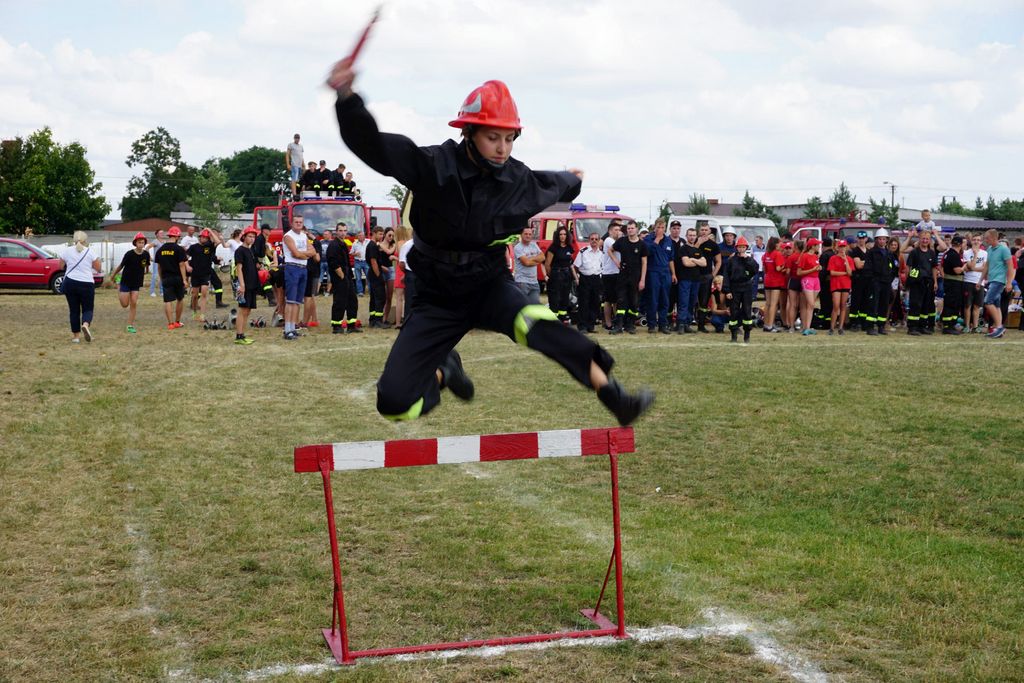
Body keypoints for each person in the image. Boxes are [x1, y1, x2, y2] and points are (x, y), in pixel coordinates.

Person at [327, 61, 653, 424]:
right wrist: (347, 98)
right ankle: (445, 371)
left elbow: (555, 184)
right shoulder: (433, 166)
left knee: (536, 322)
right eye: (493, 137)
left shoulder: (517, 180)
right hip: (436, 295)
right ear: (469, 132)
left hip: (489, 286)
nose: (502, 148)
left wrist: (573, 180)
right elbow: (374, 146)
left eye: (509, 139)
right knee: (395, 404)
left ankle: (613, 395)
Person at [60, 231, 102, 343]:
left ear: (74, 240)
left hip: (70, 282)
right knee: (88, 308)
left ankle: (76, 337)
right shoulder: (90, 252)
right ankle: (85, 324)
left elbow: (60, 266)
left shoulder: (67, 251)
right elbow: (98, 268)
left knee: (74, 310)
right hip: (86, 283)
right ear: (85, 240)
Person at [609, 220, 648, 335]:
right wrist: (616, 261)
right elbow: (610, 250)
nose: (630, 230)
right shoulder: (622, 241)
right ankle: (618, 326)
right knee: (621, 301)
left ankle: (630, 325)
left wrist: (642, 280)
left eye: (632, 228)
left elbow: (644, 263)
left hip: (636, 276)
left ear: (637, 229)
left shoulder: (642, 245)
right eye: (628, 228)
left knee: (634, 302)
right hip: (623, 276)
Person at [282, 215, 316, 340]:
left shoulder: (303, 236)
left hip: (303, 268)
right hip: (292, 268)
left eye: (300, 222)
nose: (298, 224)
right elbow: (295, 253)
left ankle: (293, 328)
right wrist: (305, 254)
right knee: (290, 301)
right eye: (296, 222)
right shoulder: (288, 236)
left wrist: (302, 254)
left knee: (297, 301)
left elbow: (313, 252)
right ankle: (287, 330)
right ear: (292, 223)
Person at [901, 228, 939, 336]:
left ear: (929, 240)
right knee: (915, 304)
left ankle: (922, 326)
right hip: (916, 282)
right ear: (919, 239)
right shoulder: (914, 252)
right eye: (923, 238)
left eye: (927, 239)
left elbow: (934, 268)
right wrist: (908, 281)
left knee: (925, 305)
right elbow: (908, 267)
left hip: (928, 282)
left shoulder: (932, 253)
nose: (925, 241)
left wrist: (935, 282)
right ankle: (912, 327)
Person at [111, 232, 151, 333]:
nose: (141, 244)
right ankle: (119, 286)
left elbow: (146, 265)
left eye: (143, 242)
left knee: (134, 302)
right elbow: (121, 265)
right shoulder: (129, 254)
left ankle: (130, 325)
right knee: (125, 304)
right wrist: (113, 275)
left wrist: (146, 272)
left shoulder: (146, 254)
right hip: (126, 281)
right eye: (139, 242)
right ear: (135, 243)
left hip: (136, 282)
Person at [722, 236, 759, 343]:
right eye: (739, 247)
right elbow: (726, 276)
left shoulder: (749, 259)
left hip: (747, 288)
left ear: (746, 248)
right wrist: (727, 290)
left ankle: (747, 336)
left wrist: (747, 259)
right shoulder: (731, 261)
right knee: (734, 311)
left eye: (743, 247)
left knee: (747, 311)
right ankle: (734, 336)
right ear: (736, 248)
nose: (741, 249)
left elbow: (755, 270)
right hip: (734, 288)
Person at [643, 218, 676, 334]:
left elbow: (670, 259)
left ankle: (663, 325)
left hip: (665, 272)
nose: (660, 229)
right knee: (653, 299)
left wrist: (673, 274)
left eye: (662, 227)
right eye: (658, 227)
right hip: (653, 272)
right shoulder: (648, 239)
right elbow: (647, 253)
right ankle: (652, 325)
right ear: (654, 227)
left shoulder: (668, 240)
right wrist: (656, 239)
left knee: (664, 299)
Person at [981, 228, 1015, 338]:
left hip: (999, 281)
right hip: (991, 280)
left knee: (987, 302)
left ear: (994, 238)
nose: (985, 240)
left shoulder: (1004, 250)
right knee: (996, 305)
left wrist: (1009, 283)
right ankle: (998, 329)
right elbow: (987, 266)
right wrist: (980, 280)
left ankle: (999, 327)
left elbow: (1010, 267)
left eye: (987, 238)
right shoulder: (989, 249)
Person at [863, 224, 897, 336]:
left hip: (886, 282)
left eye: (884, 239)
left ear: (886, 240)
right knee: (873, 304)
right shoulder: (871, 252)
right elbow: (867, 268)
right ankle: (870, 327)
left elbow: (893, 268)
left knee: (884, 304)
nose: (882, 241)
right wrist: (872, 281)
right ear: (877, 240)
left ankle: (881, 326)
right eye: (880, 239)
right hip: (875, 282)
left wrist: (889, 279)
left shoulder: (889, 253)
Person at [156, 226, 188, 329]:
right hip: (178, 277)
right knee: (180, 299)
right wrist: (184, 279)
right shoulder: (179, 249)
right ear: (177, 237)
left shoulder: (161, 249)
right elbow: (181, 265)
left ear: (169, 235)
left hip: (166, 278)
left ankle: (170, 324)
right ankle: (177, 322)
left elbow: (159, 267)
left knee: (167, 301)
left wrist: (161, 278)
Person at [674, 226, 705, 334]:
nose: (692, 237)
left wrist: (692, 259)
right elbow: (686, 263)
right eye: (690, 235)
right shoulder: (683, 249)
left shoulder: (698, 250)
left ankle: (687, 323)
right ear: (686, 236)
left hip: (696, 280)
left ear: (696, 237)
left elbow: (704, 263)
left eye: (694, 235)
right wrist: (697, 261)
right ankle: (681, 324)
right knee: (683, 302)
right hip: (685, 279)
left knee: (692, 302)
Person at [186, 228, 221, 322]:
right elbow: (185, 257)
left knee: (204, 293)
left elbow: (218, 241)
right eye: (202, 237)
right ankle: (194, 313)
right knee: (194, 295)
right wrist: (187, 266)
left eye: (206, 238)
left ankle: (202, 315)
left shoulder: (209, 246)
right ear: (199, 237)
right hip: (195, 274)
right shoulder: (193, 247)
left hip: (206, 273)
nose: (204, 239)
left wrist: (210, 231)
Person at [233, 226, 260, 345]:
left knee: (248, 310)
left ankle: (242, 334)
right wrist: (242, 285)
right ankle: (238, 336)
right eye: (250, 236)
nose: (252, 238)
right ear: (244, 237)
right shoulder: (240, 250)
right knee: (242, 310)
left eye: (253, 237)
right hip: (245, 285)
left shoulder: (250, 250)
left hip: (252, 284)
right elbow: (239, 269)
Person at [572, 232, 604, 333]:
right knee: (584, 303)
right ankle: (582, 326)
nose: (594, 241)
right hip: (585, 279)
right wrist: (577, 278)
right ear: (589, 240)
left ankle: (591, 325)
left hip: (596, 279)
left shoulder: (601, 254)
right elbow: (575, 267)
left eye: (596, 239)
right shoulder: (583, 252)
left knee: (595, 303)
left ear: (599, 241)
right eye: (592, 239)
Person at [545, 225, 574, 323]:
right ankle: (554, 320)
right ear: (557, 236)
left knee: (565, 298)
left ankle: (563, 317)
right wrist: (552, 276)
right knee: (555, 299)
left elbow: (570, 263)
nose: (562, 236)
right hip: (556, 274)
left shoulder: (569, 247)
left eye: (564, 234)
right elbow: (547, 264)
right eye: (560, 234)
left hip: (567, 275)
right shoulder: (553, 248)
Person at [695, 221, 720, 333]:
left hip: (706, 276)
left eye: (706, 230)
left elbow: (718, 261)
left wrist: (713, 275)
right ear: (699, 231)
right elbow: (689, 254)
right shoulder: (694, 241)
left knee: (704, 302)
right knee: (691, 300)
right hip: (693, 275)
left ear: (709, 231)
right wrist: (698, 244)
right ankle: (686, 323)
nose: (704, 232)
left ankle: (701, 325)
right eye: (702, 230)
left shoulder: (713, 245)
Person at [941, 235, 966, 335]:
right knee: (952, 304)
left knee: (954, 303)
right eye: (963, 243)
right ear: (960, 244)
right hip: (954, 283)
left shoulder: (948, 253)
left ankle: (952, 324)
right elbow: (957, 270)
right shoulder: (954, 255)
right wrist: (965, 266)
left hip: (951, 282)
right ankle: (948, 326)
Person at [796, 238, 822, 336]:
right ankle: (806, 327)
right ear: (812, 246)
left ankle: (807, 327)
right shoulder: (805, 256)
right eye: (817, 245)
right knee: (810, 304)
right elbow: (799, 272)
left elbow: (815, 267)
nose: (819, 246)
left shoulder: (815, 256)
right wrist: (812, 270)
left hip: (816, 279)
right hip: (807, 280)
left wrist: (818, 268)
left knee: (811, 305)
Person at [828, 239, 854, 335]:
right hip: (836, 284)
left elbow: (850, 273)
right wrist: (844, 273)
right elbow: (832, 272)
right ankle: (832, 327)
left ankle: (840, 327)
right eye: (840, 247)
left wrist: (846, 260)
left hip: (845, 284)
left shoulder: (849, 259)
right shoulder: (833, 258)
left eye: (844, 247)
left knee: (843, 305)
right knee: (836, 305)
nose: (842, 249)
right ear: (837, 248)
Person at [513, 226, 544, 304]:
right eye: (526, 234)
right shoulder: (518, 247)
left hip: (534, 282)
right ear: (521, 235)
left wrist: (531, 259)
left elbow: (543, 257)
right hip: (522, 282)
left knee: (534, 305)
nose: (528, 236)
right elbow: (526, 263)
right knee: (522, 305)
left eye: (530, 234)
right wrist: (537, 261)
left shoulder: (534, 245)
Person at [365, 225, 389, 328]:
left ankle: (372, 320)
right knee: (380, 297)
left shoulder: (372, 245)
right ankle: (378, 321)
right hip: (375, 274)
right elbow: (373, 261)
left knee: (374, 298)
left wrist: (382, 267)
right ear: (374, 234)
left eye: (383, 234)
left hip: (373, 273)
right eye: (380, 234)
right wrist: (378, 275)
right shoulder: (373, 246)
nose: (382, 236)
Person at [963, 234, 987, 333]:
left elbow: (984, 268)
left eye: (978, 240)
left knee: (977, 306)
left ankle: (975, 327)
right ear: (971, 241)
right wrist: (976, 254)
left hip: (980, 282)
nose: (976, 242)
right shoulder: (966, 252)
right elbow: (970, 265)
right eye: (974, 240)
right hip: (968, 281)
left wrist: (973, 268)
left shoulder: (985, 253)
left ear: (981, 242)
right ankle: (967, 326)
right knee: (967, 305)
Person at [601, 220, 623, 330]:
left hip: (617, 273)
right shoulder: (608, 240)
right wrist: (621, 238)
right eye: (616, 230)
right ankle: (608, 323)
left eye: (619, 230)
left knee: (617, 299)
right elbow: (617, 247)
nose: (618, 232)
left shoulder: (618, 241)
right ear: (610, 231)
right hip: (609, 274)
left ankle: (617, 322)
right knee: (609, 300)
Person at [761, 237, 785, 333]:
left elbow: (764, 269)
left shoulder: (766, 254)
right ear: (776, 244)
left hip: (767, 280)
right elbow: (778, 268)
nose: (781, 245)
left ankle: (766, 324)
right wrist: (784, 267)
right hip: (775, 281)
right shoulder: (777, 254)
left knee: (768, 303)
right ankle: (770, 326)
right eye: (779, 243)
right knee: (773, 304)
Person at [848, 230, 871, 331]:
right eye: (860, 238)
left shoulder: (869, 251)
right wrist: (868, 262)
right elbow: (858, 265)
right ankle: (854, 322)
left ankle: (863, 322)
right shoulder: (855, 251)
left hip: (868, 280)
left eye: (863, 238)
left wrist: (864, 262)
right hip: (858, 280)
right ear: (857, 239)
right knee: (856, 301)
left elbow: (869, 264)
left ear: (866, 239)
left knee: (865, 301)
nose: (861, 240)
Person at [393, 226, 413, 328]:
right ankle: (406, 318)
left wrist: (394, 257)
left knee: (399, 298)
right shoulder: (408, 243)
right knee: (407, 297)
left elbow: (402, 259)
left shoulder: (400, 243)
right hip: (406, 270)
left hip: (401, 270)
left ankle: (398, 322)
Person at [814, 237, 834, 330]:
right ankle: (830, 321)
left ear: (823, 245)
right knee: (830, 303)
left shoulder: (824, 255)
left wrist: (819, 282)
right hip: (833, 282)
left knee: (825, 303)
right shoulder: (833, 254)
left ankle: (824, 323)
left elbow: (823, 270)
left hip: (825, 283)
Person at [302, 229, 321, 328]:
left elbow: (317, 258)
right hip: (313, 271)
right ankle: (314, 319)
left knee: (308, 296)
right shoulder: (316, 242)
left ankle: (307, 320)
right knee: (311, 297)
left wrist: (310, 252)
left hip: (311, 272)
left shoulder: (313, 244)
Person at [784, 239, 804, 331]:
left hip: (793, 280)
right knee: (802, 305)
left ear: (795, 247)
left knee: (792, 304)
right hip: (803, 280)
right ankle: (803, 325)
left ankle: (791, 326)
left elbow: (787, 271)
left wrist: (789, 275)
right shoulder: (804, 256)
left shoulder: (791, 257)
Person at [350, 229, 369, 295]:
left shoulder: (368, 241)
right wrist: (355, 254)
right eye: (359, 235)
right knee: (358, 278)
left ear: (364, 236)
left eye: (361, 235)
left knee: (369, 277)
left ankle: (371, 291)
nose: (360, 237)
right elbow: (351, 253)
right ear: (357, 236)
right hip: (357, 262)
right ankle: (360, 292)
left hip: (366, 261)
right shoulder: (354, 243)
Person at [148, 229, 165, 297]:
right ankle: (152, 291)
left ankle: (162, 291)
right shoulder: (155, 241)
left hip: (163, 262)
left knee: (162, 276)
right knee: (154, 276)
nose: (162, 234)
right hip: (156, 262)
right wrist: (149, 257)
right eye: (160, 233)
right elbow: (147, 248)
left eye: (163, 233)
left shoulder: (164, 242)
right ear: (157, 234)